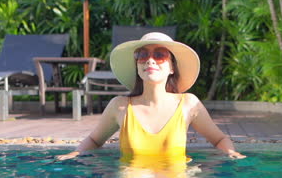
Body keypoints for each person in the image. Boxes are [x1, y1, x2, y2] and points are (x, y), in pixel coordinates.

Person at [56, 32, 246, 161]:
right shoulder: (120, 106)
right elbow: (95, 140)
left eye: (160, 54)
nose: (150, 60)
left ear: (172, 67)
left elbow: (219, 139)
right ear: (137, 65)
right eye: (142, 54)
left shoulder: (188, 104)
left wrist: (231, 152)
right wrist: (75, 153)